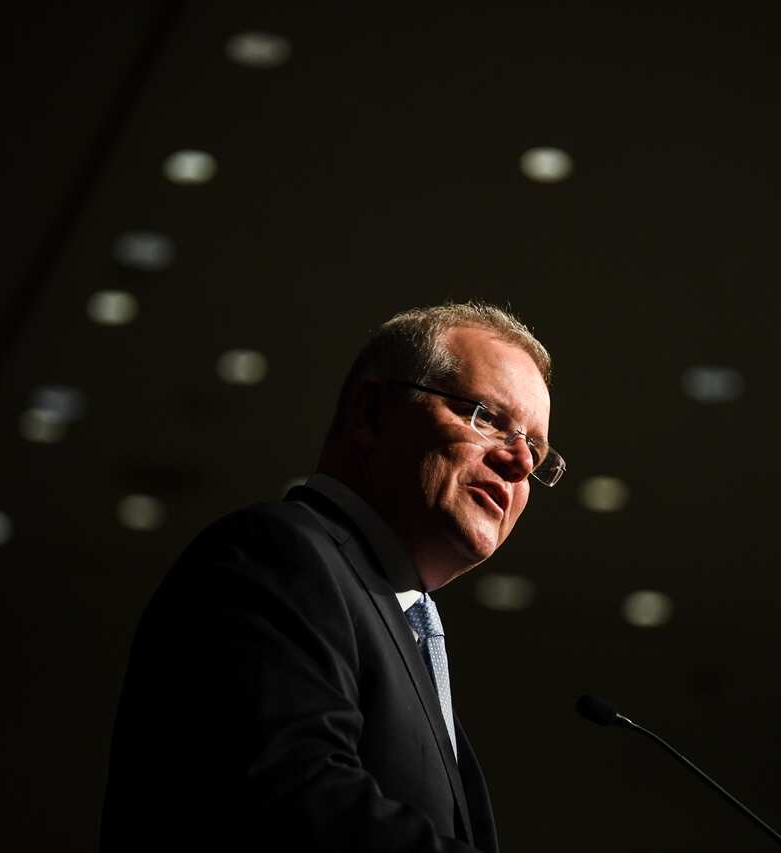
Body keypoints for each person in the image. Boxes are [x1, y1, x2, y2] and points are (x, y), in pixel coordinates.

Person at [100, 302, 563, 852]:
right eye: (486, 417)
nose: (520, 463)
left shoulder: (401, 620)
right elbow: (297, 806)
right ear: (372, 413)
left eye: (535, 450)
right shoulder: (277, 554)